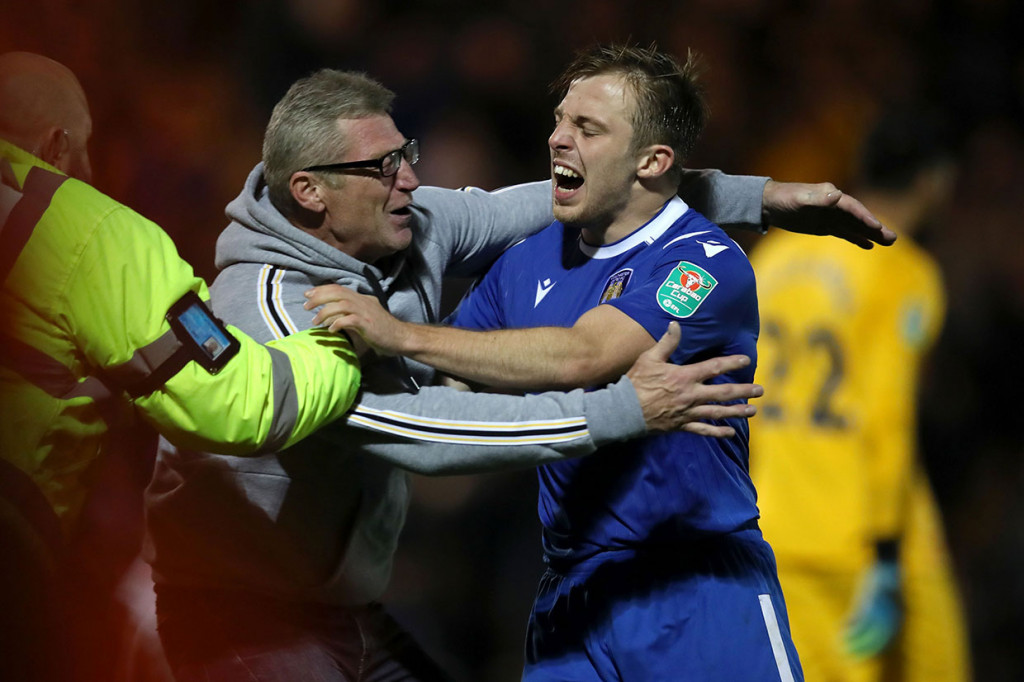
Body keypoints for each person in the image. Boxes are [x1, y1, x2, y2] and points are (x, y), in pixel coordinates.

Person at [144, 59, 893, 680]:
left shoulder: (698, 261)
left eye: (406, 155)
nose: (410, 178)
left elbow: (577, 330)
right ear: (311, 192)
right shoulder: (280, 313)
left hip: (692, 586)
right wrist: (417, 348)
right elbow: (428, 426)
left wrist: (759, 198)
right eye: (385, 167)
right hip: (246, 604)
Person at [310, 44, 802, 681]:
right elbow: (452, 387)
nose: (557, 140)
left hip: (693, 587)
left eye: (587, 128)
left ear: (652, 161)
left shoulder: (705, 260)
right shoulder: (527, 262)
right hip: (573, 599)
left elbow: (586, 355)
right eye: (560, 120)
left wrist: (400, 334)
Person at [0, 51, 363, 682]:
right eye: (83, 150)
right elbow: (232, 400)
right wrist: (342, 340)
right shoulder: (84, 231)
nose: (88, 170)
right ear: (56, 145)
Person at [749, 109, 971, 681]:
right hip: (870, 538)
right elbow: (885, 411)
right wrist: (889, 553)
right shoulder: (904, 273)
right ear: (936, 181)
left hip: (778, 529)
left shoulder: (772, 260)